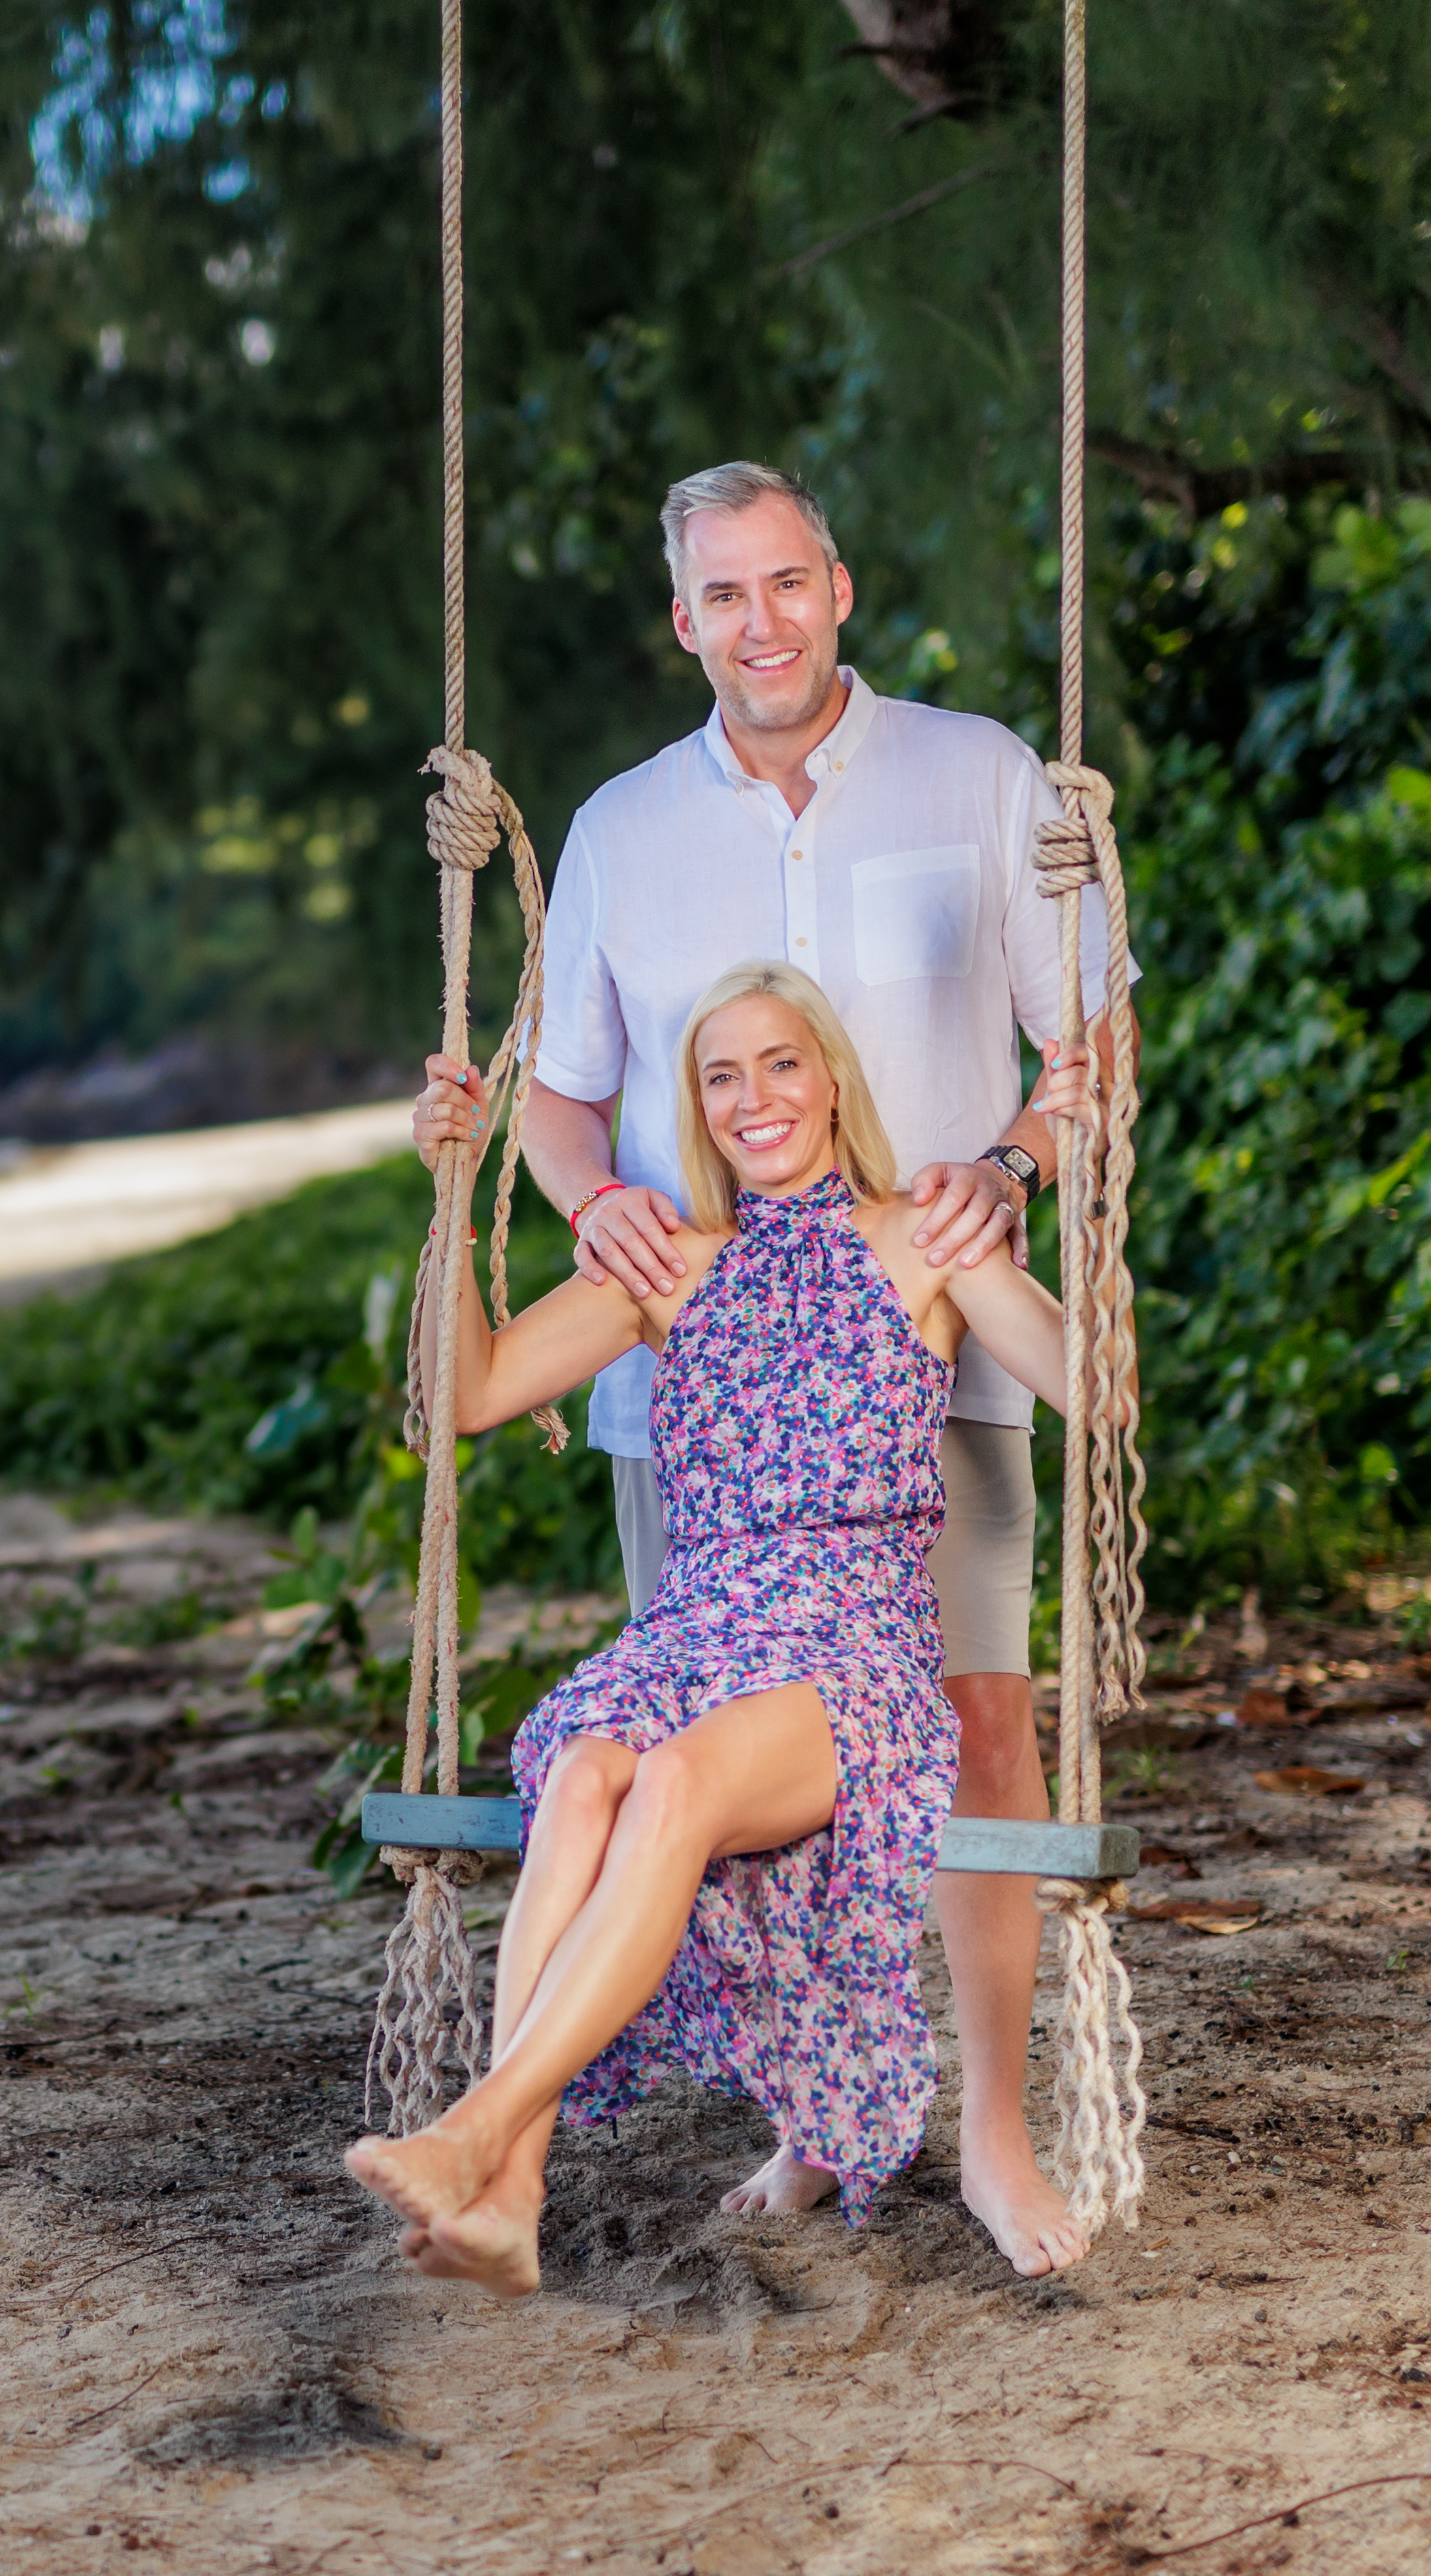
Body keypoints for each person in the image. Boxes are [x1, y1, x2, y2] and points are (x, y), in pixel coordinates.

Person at [518, 459, 1136, 2276]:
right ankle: (818, 2121)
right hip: (699, 1390)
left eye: (784, 584)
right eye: (720, 596)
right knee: (730, 1753)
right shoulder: (621, 826)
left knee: (973, 1728)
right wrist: (589, 1214)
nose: (758, 624)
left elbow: (1084, 1042)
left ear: (838, 589)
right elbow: (562, 1099)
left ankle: (997, 2137)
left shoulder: (979, 775)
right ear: (681, 620)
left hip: (931, 1356)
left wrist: (1011, 1168)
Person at [345, 961, 1076, 2298]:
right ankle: (506, 2196)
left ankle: (479, 2130)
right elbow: (472, 1391)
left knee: (671, 1782)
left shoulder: (924, 1236)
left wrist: (1065, 1165)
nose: (755, 1097)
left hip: (850, 1649)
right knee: (579, 1778)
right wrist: (451, 1197)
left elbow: (1102, 1387)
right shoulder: (670, 1264)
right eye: (720, 1075)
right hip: (692, 1635)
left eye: (781, 1062)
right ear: (696, 1107)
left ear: (833, 1077)